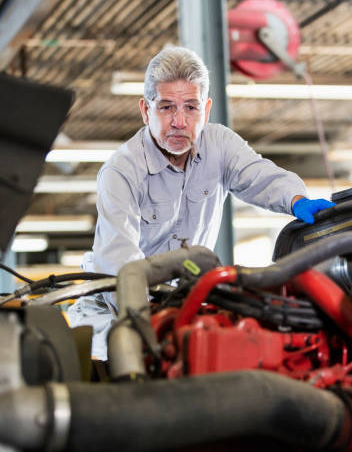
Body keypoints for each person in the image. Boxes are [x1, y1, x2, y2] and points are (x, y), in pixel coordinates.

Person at [68, 45, 334, 360]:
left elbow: (259, 175)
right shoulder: (122, 171)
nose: (179, 121)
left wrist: (296, 200)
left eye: (191, 108)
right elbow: (120, 259)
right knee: (122, 370)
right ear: (145, 110)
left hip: (181, 297)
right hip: (110, 303)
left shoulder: (220, 144)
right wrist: (147, 318)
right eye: (166, 107)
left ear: (206, 110)